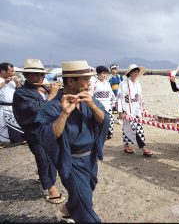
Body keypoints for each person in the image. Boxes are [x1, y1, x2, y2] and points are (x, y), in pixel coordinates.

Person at [35, 60, 110, 222]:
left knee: (87, 189)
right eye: (86, 80)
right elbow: (46, 137)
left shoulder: (88, 100)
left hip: (90, 160)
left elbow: (105, 120)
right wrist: (64, 114)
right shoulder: (52, 107)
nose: (90, 84)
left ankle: (67, 210)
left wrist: (93, 107)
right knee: (85, 205)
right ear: (71, 81)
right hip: (71, 162)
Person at [13, 59, 65, 204]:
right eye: (35, 74)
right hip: (35, 132)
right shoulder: (21, 93)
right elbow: (37, 110)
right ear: (27, 75)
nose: (39, 77)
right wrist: (52, 95)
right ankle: (50, 187)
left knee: (52, 157)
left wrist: (59, 91)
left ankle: (46, 177)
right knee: (43, 159)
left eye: (41, 74)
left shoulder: (45, 88)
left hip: (51, 130)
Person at [117, 64, 153, 156]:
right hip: (127, 110)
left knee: (135, 128)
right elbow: (119, 99)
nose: (136, 73)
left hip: (137, 109)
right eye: (134, 71)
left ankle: (126, 146)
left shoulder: (138, 84)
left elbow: (140, 98)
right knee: (131, 128)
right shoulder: (123, 84)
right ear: (130, 73)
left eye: (137, 72)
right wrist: (120, 112)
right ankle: (143, 147)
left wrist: (143, 109)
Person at [0, 62, 23, 148]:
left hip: (13, 105)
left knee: (14, 123)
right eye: (11, 71)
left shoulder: (12, 80)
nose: (13, 73)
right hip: (2, 106)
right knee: (2, 125)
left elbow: (20, 91)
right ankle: (3, 141)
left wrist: (17, 83)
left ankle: (15, 140)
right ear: (3, 71)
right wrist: (4, 83)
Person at [91, 65, 116, 140]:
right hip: (98, 106)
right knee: (99, 124)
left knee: (109, 123)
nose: (105, 75)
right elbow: (90, 95)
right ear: (98, 74)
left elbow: (111, 94)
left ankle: (107, 135)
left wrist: (114, 102)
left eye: (106, 73)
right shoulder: (94, 83)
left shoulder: (107, 83)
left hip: (108, 106)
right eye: (103, 73)